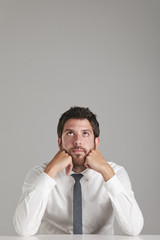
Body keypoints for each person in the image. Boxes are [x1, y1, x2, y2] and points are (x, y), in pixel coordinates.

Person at [13, 106, 144, 236]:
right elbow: (23, 229)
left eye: (85, 133)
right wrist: (51, 171)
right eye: (70, 133)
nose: (78, 141)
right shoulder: (40, 173)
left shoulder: (115, 172)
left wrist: (106, 171)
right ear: (60, 143)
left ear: (96, 142)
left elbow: (133, 229)